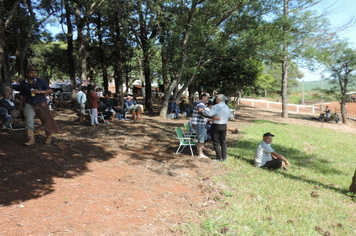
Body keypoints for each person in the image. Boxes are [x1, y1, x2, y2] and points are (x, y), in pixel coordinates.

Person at [19, 65, 59, 146]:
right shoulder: (23, 83)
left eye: (34, 73)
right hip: (29, 103)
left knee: (46, 120)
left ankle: (48, 137)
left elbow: (50, 90)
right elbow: (21, 95)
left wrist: (40, 92)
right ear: (27, 73)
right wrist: (20, 105)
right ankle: (31, 139)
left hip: (41, 103)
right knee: (28, 120)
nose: (34, 74)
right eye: (31, 73)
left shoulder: (41, 81)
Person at [202, 94, 230, 162]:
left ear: (218, 99)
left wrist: (203, 111)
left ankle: (219, 157)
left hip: (216, 125)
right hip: (224, 125)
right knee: (223, 141)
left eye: (216, 98)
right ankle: (224, 157)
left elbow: (210, 114)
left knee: (216, 141)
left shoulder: (216, 106)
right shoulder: (227, 107)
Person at [190, 93, 210, 158]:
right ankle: (200, 154)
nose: (208, 99)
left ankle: (200, 150)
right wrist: (207, 114)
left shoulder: (201, 103)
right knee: (201, 139)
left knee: (204, 137)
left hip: (201, 124)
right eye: (207, 97)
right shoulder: (200, 103)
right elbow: (200, 110)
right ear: (203, 97)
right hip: (198, 124)